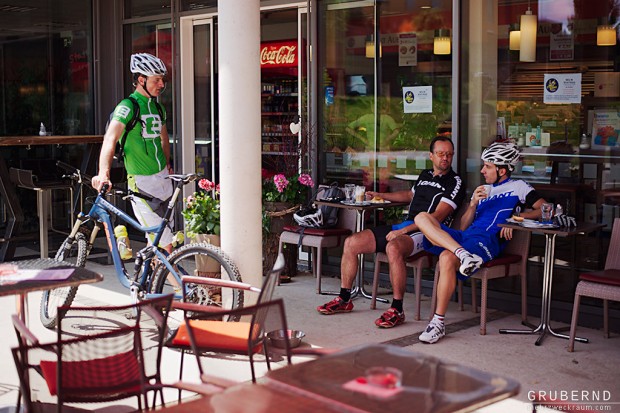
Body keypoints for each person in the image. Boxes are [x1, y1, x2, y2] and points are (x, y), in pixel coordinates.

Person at [317, 136, 466, 328]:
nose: (445, 158)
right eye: (440, 154)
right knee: (351, 242)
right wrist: (380, 195)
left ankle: (397, 309)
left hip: (429, 233)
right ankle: (344, 299)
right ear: (431, 156)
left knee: (394, 248)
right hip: (406, 226)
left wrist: (403, 230)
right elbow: (409, 196)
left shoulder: (455, 182)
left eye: (449, 154)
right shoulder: (425, 175)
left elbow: (436, 217)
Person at [415, 142, 547, 344]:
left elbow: (547, 209)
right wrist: (473, 204)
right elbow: (462, 226)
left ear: (502, 170)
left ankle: (438, 323)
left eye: (488, 166)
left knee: (445, 257)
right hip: (465, 239)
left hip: (487, 242)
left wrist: (517, 220)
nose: (482, 170)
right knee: (422, 218)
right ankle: (464, 255)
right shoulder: (483, 190)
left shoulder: (519, 187)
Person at [91, 53, 175, 252]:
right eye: (156, 80)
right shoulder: (127, 106)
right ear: (141, 80)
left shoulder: (158, 107)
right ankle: (181, 285)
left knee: (155, 242)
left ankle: (147, 282)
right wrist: (103, 173)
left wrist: (167, 164)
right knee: (166, 246)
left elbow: (164, 139)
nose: (161, 84)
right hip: (141, 181)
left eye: (162, 79)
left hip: (163, 179)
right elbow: (110, 139)